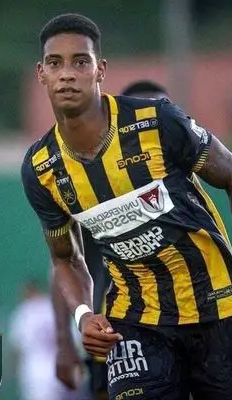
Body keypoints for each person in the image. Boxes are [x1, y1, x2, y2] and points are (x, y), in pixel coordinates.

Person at [22, 13, 232, 399]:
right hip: (136, 319)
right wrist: (83, 316)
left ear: (100, 70)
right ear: (42, 74)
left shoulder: (157, 122)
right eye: (55, 63)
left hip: (216, 308)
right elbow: (65, 259)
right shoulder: (41, 168)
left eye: (80, 62)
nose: (67, 74)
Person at [52, 80, 170, 400]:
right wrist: (64, 341)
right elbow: (64, 263)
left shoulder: (181, 181)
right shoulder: (93, 190)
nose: (155, 122)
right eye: (145, 113)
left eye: (164, 111)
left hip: (182, 325)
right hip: (114, 335)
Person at [8, 279, 88, 400]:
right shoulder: (56, 307)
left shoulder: (25, 311)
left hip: (35, 372)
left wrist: (12, 370)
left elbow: (17, 346)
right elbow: (76, 341)